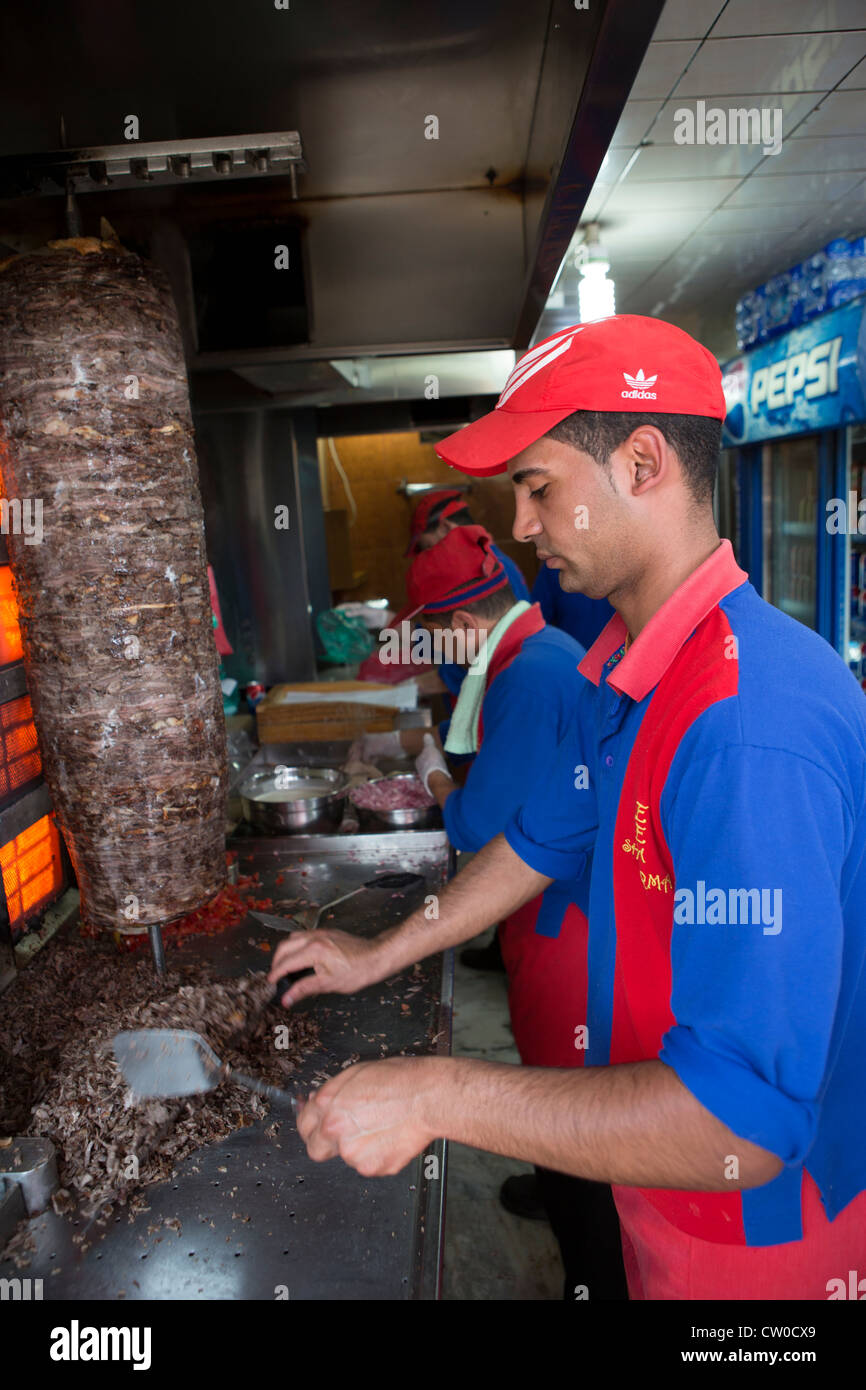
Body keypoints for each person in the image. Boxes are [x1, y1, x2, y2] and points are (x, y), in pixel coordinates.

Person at [270, 315, 866, 1301]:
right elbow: (533, 840)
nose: (519, 526)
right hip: (655, 1190)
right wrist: (377, 954)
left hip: (762, 1243)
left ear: (640, 464)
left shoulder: (745, 722)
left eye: (537, 485)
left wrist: (438, 1091)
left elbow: (740, 1120)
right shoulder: (626, 678)